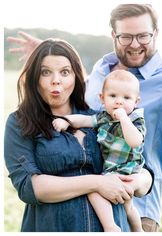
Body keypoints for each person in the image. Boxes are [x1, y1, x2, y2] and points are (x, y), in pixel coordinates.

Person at [7, 3, 162, 232]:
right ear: (114, 36)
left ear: (156, 33)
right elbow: (77, 99)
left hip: (135, 207)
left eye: (143, 36)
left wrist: (141, 180)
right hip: (71, 209)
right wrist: (52, 58)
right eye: (126, 37)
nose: (135, 44)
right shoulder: (101, 71)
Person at [4, 38, 153, 232]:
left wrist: (138, 181)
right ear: (34, 77)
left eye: (65, 72)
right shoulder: (20, 122)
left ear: (76, 76)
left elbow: (144, 169)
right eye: (45, 72)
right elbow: (28, 186)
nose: (56, 80)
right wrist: (97, 183)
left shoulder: (98, 117)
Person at [52, 69, 146, 232]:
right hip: (110, 171)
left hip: (128, 171)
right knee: (105, 195)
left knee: (124, 205)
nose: (119, 102)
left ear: (136, 101)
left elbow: (135, 141)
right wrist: (66, 121)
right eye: (112, 96)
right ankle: (112, 226)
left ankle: (133, 229)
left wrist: (124, 119)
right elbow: (85, 120)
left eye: (126, 98)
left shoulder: (135, 120)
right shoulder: (103, 118)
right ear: (102, 98)